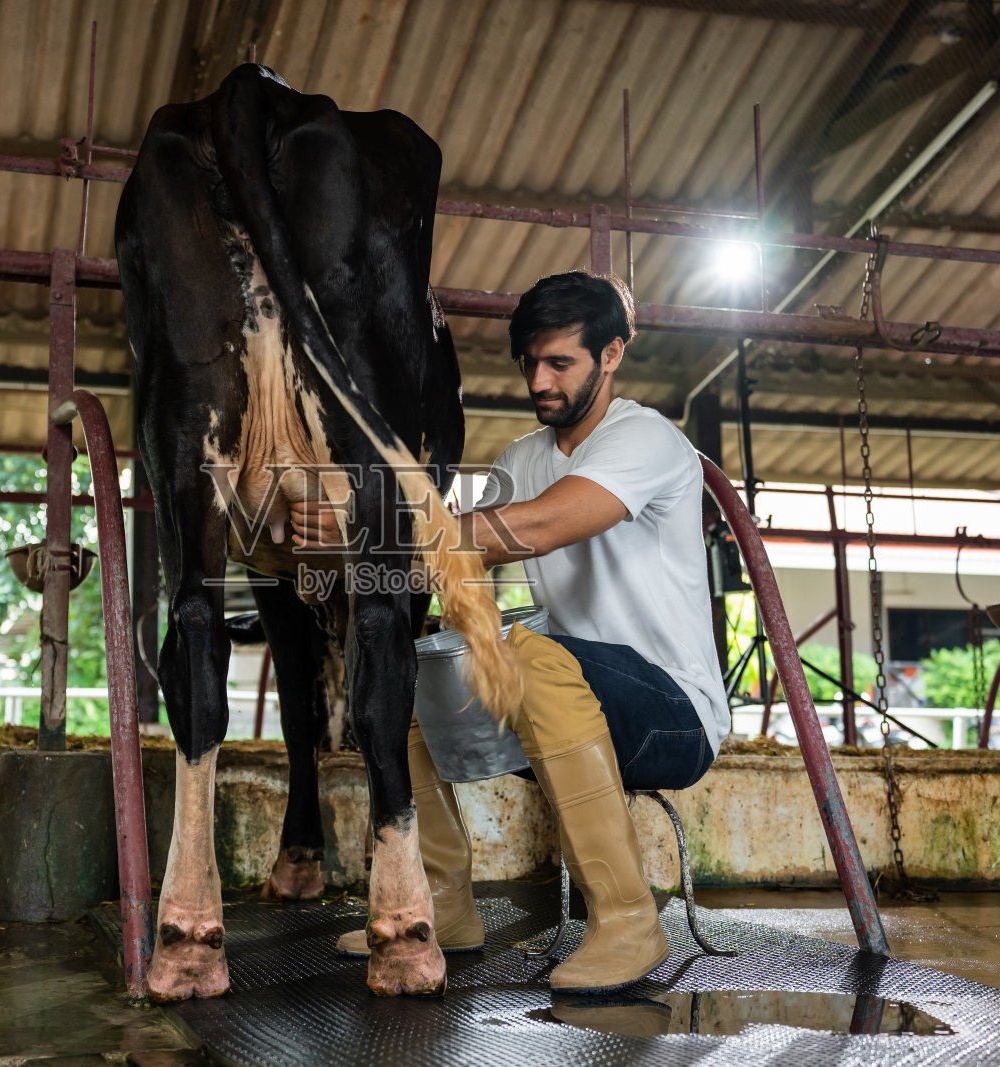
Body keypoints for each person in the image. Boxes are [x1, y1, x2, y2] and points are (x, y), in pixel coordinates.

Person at [289, 270, 730, 994]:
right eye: (531, 362)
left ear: (612, 354)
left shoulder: (645, 438)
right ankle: (443, 907)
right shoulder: (522, 458)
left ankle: (627, 920)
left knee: (528, 654)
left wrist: (368, 529)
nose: (541, 380)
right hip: (560, 699)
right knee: (403, 671)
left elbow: (540, 525)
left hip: (671, 713)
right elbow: (454, 553)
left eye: (562, 362)